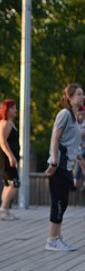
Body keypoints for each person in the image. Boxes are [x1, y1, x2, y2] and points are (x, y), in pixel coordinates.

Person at [45, 83, 85, 251]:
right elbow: (55, 139)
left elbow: (71, 144)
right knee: (59, 203)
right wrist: (54, 162)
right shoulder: (64, 114)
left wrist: (80, 161)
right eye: (79, 94)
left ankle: (57, 237)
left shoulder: (75, 117)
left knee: (64, 203)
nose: (82, 97)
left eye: (83, 94)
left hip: (67, 166)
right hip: (59, 166)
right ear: (70, 97)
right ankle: (52, 241)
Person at [0, 99, 20, 221]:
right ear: (7, 110)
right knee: (14, 183)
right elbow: (2, 141)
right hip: (4, 157)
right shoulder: (4, 123)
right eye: (13, 108)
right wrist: (11, 156)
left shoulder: (10, 123)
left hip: (9, 157)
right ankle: (3, 209)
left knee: (7, 184)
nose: (16, 110)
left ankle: (5, 210)